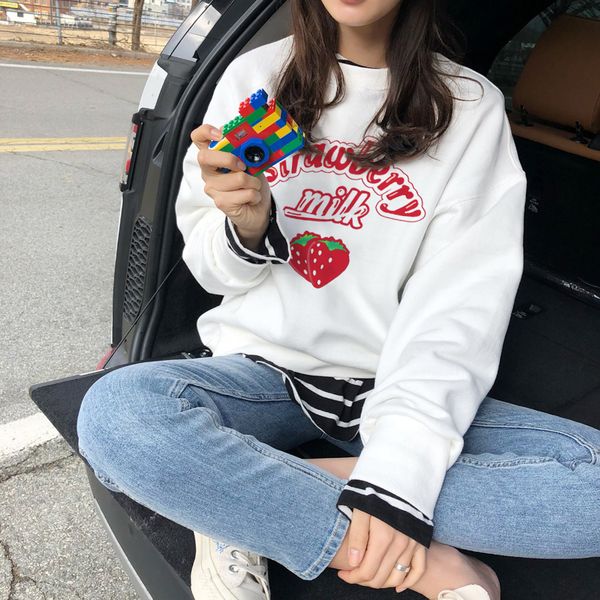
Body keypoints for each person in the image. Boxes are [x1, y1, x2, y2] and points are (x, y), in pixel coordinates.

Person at [76, 1, 600, 599]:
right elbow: (212, 272)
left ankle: (248, 494)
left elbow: (456, 310)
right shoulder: (256, 76)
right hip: (261, 374)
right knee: (119, 416)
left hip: (394, 385)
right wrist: (247, 223)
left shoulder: (471, 107)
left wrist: (394, 481)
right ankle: (412, 561)